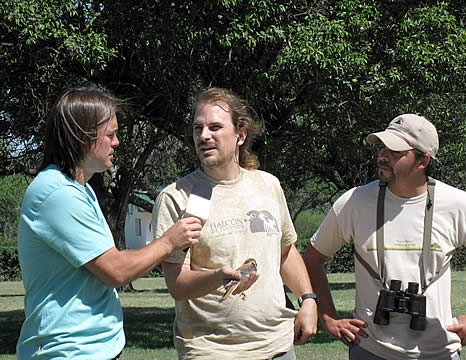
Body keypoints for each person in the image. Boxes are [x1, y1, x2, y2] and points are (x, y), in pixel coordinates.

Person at [16, 87, 202, 359]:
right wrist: (169, 241)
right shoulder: (58, 194)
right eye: (110, 135)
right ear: (82, 136)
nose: (117, 142)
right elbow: (115, 270)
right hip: (69, 352)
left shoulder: (81, 189)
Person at [152, 87, 317, 359]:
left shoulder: (268, 185)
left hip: (278, 345)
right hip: (212, 349)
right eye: (198, 128)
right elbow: (176, 284)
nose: (204, 136)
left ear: (240, 135)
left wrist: (308, 299)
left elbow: (285, 252)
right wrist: (217, 277)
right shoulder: (177, 197)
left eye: (215, 127)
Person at [304, 114, 466, 360]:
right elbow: (312, 258)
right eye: (383, 147)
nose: (382, 156)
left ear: (423, 161)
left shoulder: (458, 205)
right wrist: (328, 316)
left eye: (396, 151)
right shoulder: (354, 202)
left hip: (439, 352)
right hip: (370, 350)